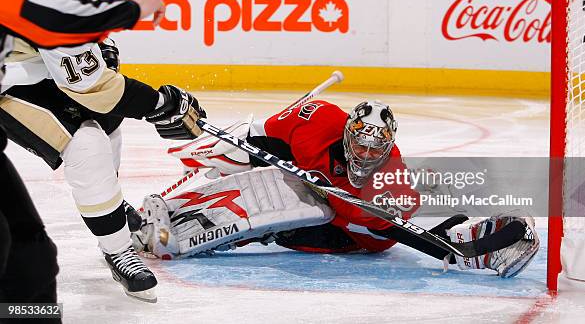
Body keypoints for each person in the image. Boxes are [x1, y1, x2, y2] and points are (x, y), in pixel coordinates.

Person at [2, 0, 206, 303]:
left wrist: (102, 47)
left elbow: (84, 29)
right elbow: (89, 85)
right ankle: (116, 248)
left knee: (108, 122)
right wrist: (161, 103)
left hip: (38, 63)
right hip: (8, 83)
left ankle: (107, 203)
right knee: (86, 145)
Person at [132, 100, 540, 279]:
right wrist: (234, 154)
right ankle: (179, 205)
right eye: (359, 142)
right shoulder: (317, 122)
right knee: (260, 174)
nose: (364, 152)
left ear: (387, 148)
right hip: (316, 190)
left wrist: (454, 253)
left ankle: (204, 235)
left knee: (295, 216)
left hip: (351, 235)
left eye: (373, 147)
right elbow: (264, 136)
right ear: (346, 133)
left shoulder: (389, 184)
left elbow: (395, 233)